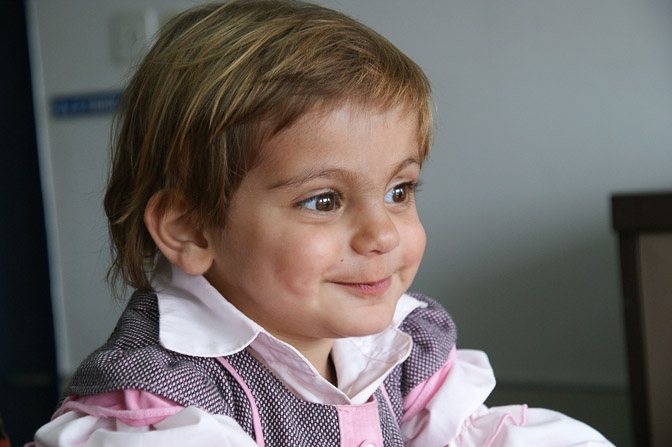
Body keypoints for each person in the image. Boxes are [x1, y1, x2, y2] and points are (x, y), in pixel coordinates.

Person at [33, 1, 615, 445]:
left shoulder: (401, 345)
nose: (383, 235)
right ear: (192, 229)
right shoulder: (157, 397)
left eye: (398, 191)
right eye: (324, 201)